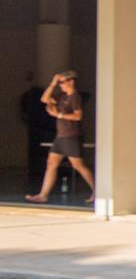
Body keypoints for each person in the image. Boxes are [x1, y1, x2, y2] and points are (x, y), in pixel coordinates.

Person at [26, 70, 95, 204]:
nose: (61, 85)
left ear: (71, 82)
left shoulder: (75, 97)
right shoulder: (62, 97)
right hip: (60, 137)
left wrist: (59, 115)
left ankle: (97, 190)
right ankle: (43, 195)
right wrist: (52, 84)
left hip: (71, 136)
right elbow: (44, 99)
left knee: (78, 165)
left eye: (62, 82)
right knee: (51, 164)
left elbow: (78, 116)